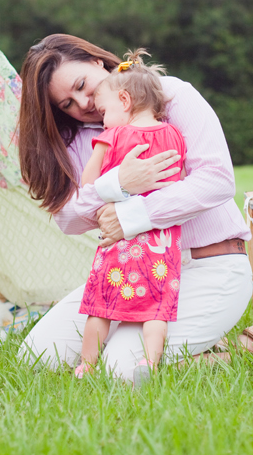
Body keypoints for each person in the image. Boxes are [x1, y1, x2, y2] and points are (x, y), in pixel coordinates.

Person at [17, 34, 253, 381]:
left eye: (81, 85)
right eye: (67, 104)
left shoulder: (170, 95)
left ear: (96, 61)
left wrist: (130, 216)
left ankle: (242, 347)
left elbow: (218, 180)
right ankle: (192, 341)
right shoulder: (82, 138)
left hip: (208, 265)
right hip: (132, 272)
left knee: (120, 369)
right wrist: (117, 183)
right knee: (37, 357)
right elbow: (68, 218)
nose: (83, 103)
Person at [74, 51, 187, 379]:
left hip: (119, 240)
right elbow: (176, 186)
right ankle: (149, 363)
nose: (102, 119)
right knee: (156, 307)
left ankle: (87, 365)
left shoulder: (113, 135)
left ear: (123, 100)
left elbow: (87, 183)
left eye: (104, 111)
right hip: (161, 241)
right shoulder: (174, 135)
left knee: (101, 304)